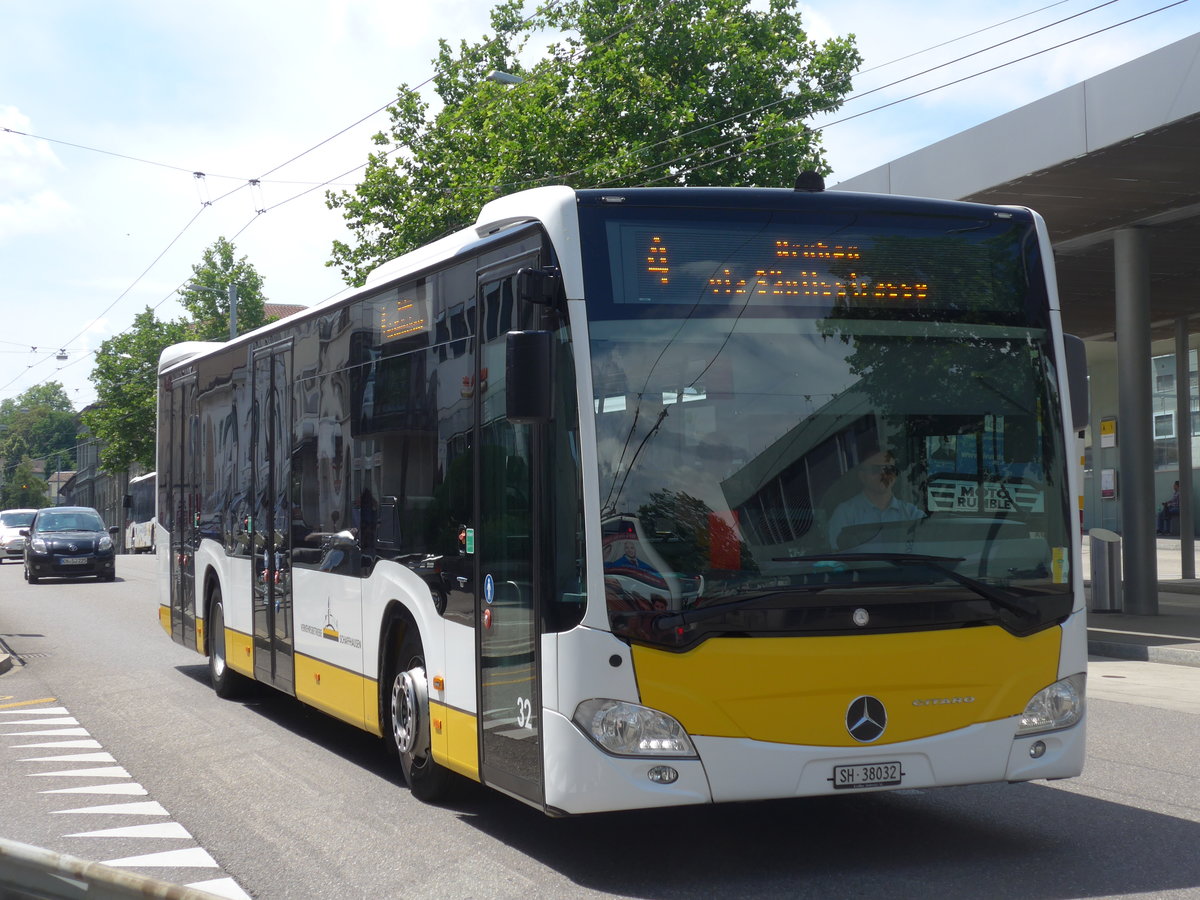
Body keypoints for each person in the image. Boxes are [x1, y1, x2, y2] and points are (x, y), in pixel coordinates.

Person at [828, 450, 924, 550]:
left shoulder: (912, 514)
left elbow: (928, 544)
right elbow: (838, 558)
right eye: (875, 469)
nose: (883, 475)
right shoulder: (844, 513)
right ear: (862, 476)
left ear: (895, 475)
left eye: (888, 469)